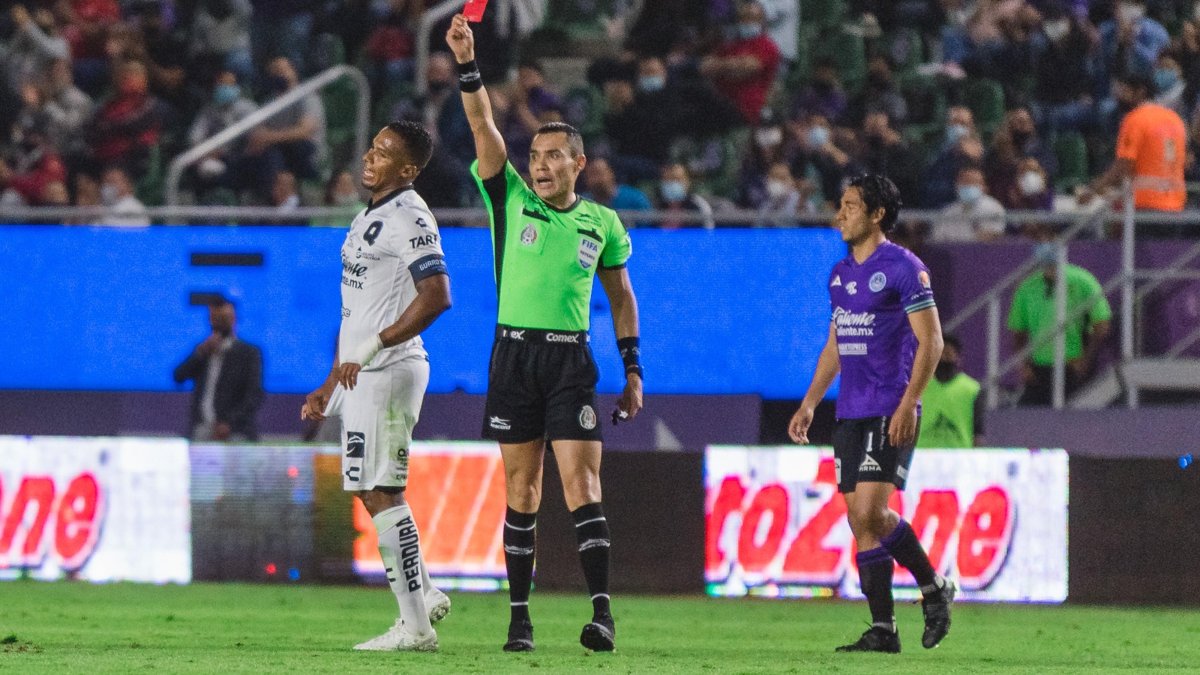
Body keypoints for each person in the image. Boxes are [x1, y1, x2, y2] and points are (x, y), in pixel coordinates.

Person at [447, 14, 643, 654]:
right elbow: (482, 123)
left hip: (570, 364)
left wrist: (633, 369)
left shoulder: (603, 224)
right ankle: (520, 619)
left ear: (579, 163)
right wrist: (468, 62)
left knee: (581, 485)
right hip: (512, 357)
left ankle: (603, 615)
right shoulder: (508, 197)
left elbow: (621, 298)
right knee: (522, 490)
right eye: (535, 156)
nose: (540, 165)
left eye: (553, 156)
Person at [300, 120, 454, 652]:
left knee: (382, 491)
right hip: (362, 370)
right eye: (371, 147)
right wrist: (330, 382)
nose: (369, 157)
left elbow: (436, 295)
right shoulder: (370, 214)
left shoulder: (411, 214)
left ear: (408, 170)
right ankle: (425, 594)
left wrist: (374, 348)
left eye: (384, 153)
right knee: (373, 490)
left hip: (389, 369)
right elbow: (356, 313)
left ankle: (415, 628)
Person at [787, 174, 955, 654]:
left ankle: (931, 589)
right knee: (862, 523)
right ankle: (885, 627)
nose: (839, 214)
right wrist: (811, 401)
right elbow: (836, 345)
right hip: (851, 412)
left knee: (870, 511)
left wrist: (908, 403)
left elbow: (933, 341)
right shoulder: (840, 274)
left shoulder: (905, 268)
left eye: (850, 206)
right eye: (841, 205)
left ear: (877, 214)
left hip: (890, 407)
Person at [1008, 239, 1112, 406]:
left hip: (1072, 366)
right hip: (1039, 369)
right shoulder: (1027, 287)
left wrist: (1085, 361)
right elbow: (1018, 332)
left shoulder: (1083, 280)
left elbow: (1102, 325)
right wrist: (1024, 365)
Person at [1078, 71, 1186, 217]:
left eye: (1124, 90)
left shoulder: (1135, 120)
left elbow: (1124, 166)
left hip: (1145, 204)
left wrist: (1092, 190)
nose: (1119, 96)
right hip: (1176, 204)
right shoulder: (1175, 119)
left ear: (1140, 91)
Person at [173, 296, 264, 442]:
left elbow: (253, 395)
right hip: (203, 430)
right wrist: (200, 353)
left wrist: (229, 423)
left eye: (223, 318)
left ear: (233, 319)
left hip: (235, 433)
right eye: (214, 318)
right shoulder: (204, 352)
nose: (218, 323)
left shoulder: (248, 353)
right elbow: (178, 376)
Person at [916, 335, 984, 448]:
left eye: (948, 354)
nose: (943, 358)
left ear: (958, 358)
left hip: (959, 455)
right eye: (940, 354)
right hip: (923, 454)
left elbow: (978, 431)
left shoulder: (971, 388)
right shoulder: (918, 386)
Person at [934, 165, 1006, 242]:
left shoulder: (993, 208)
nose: (969, 185)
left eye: (974, 182)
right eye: (965, 181)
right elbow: (937, 239)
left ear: (984, 187)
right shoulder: (947, 212)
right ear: (956, 184)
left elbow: (992, 236)